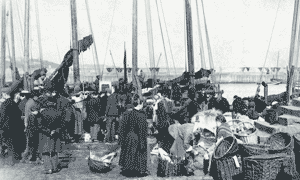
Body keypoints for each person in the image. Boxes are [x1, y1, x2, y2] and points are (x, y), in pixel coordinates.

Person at [118, 94, 148, 177]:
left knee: (129, 154)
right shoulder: (141, 115)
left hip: (128, 137)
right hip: (137, 138)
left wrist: (122, 139)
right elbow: (142, 130)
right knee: (137, 154)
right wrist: (142, 142)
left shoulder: (127, 113)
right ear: (140, 104)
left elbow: (122, 127)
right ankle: (137, 170)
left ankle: (128, 169)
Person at [0, 89, 26, 165]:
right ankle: (15, 158)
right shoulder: (14, 103)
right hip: (14, 126)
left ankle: (11, 160)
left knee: (9, 143)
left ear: (5, 94)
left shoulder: (4, 104)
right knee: (13, 143)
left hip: (6, 127)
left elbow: (2, 116)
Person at [21, 89, 43, 164]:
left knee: (33, 142)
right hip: (30, 125)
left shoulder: (34, 102)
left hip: (33, 125)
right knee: (30, 143)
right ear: (34, 96)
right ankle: (25, 157)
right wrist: (26, 125)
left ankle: (32, 157)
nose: (38, 97)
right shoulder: (30, 103)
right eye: (37, 96)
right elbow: (27, 115)